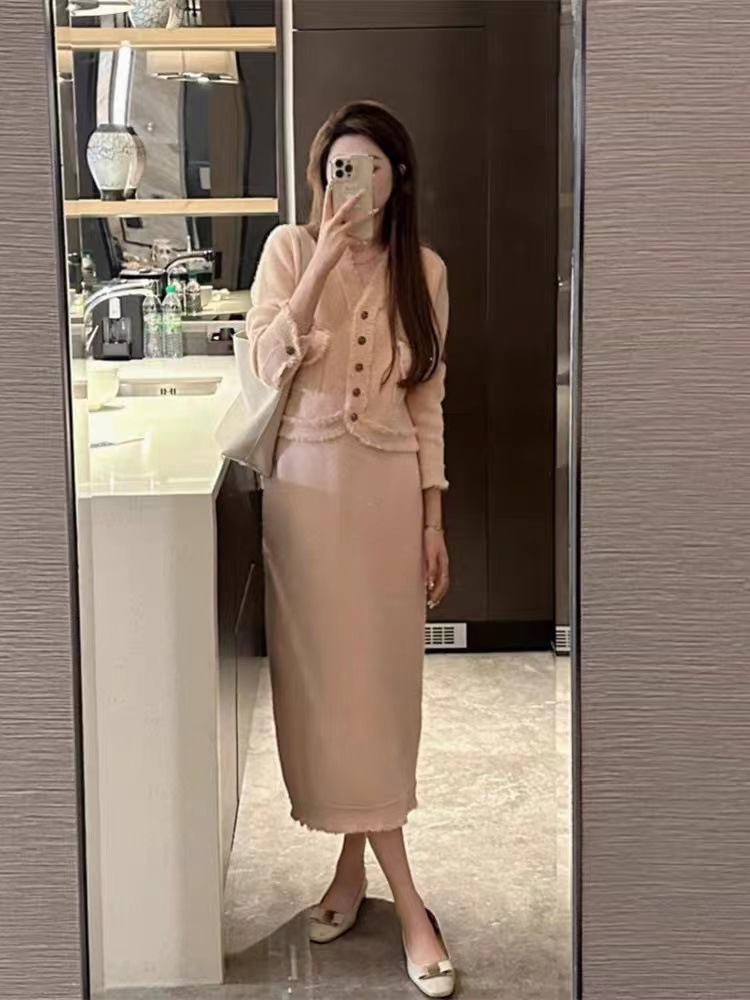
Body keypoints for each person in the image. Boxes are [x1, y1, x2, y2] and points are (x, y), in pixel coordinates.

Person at [246, 100, 454, 997]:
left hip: (386, 500)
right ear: (320, 176)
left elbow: (428, 401)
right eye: (341, 166)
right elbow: (265, 361)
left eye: (371, 167)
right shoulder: (288, 250)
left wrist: (433, 520)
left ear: (396, 178)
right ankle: (402, 901)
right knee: (330, 692)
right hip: (306, 499)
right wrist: (323, 259)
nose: (355, 183)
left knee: (380, 693)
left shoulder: (426, 271)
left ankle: (366, 880)